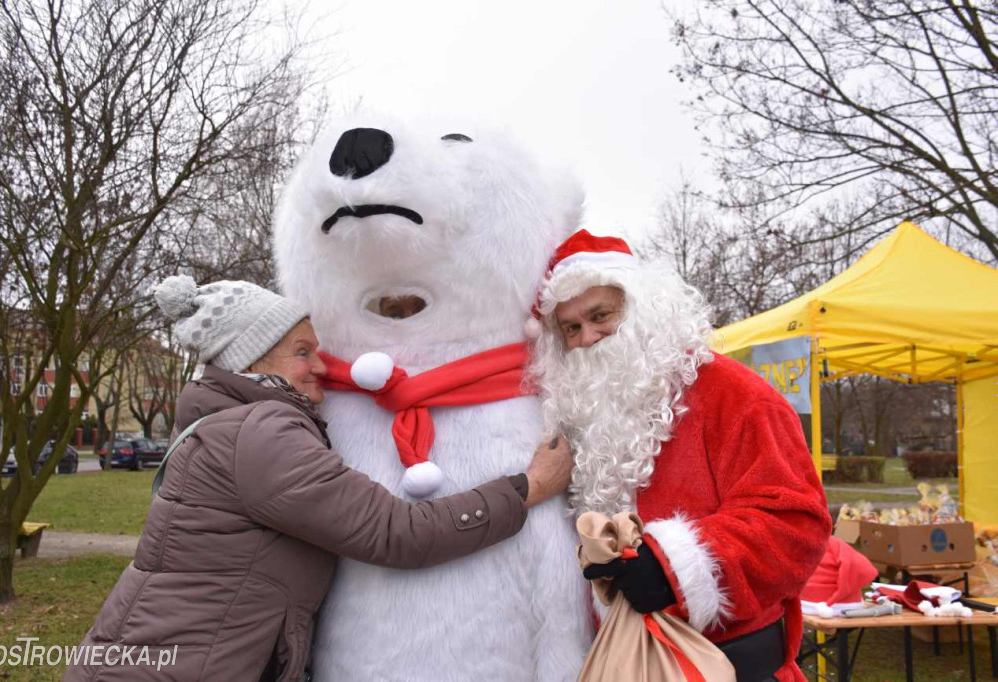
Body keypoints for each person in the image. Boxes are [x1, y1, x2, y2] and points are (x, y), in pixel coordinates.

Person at [64, 275, 572, 682]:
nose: (322, 367)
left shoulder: (222, 424)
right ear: (250, 360)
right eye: (303, 351)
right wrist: (528, 487)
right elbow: (400, 533)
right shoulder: (258, 432)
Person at [526, 230, 832, 682]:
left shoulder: (735, 395)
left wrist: (673, 566)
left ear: (643, 310)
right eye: (570, 328)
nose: (586, 338)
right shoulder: (576, 417)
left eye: (600, 315)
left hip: (729, 664)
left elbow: (795, 524)